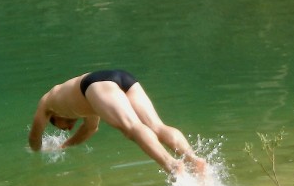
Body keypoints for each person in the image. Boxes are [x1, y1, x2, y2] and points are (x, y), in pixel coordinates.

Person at [28, 69, 205, 176]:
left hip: (95, 84)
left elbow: (34, 138)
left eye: (63, 127)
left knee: (132, 128)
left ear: (54, 118)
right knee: (156, 126)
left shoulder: (46, 104)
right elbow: (90, 128)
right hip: (118, 76)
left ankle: (172, 166)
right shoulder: (80, 104)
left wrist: (37, 151)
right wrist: (64, 146)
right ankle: (194, 160)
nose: (69, 127)